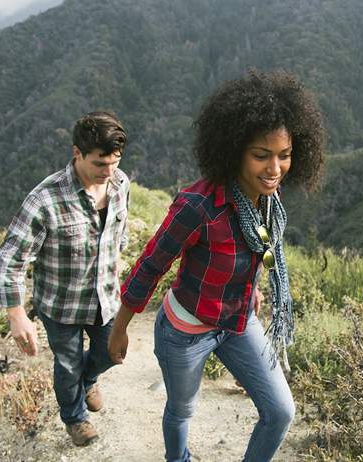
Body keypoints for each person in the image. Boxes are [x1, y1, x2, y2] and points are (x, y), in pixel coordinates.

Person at [109, 70, 326, 462]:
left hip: (238, 322)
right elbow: (150, 265)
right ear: (234, 150)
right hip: (186, 332)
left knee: (280, 412)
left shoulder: (267, 202)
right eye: (261, 155)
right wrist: (120, 328)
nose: (274, 168)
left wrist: (252, 287)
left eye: (285, 155)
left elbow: (253, 251)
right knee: (181, 411)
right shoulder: (198, 206)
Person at [0, 111, 130, 446]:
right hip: (60, 304)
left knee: (113, 353)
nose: (108, 171)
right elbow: (10, 259)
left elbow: (119, 235)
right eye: (100, 163)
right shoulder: (46, 199)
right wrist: (16, 314)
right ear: (77, 153)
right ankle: (75, 417)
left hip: (106, 298)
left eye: (115, 161)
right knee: (67, 366)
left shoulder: (121, 183)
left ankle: (88, 381)